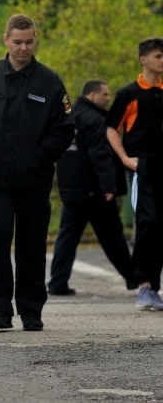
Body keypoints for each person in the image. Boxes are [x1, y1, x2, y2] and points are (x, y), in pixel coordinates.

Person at [0, 14, 74, 332]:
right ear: (6, 39)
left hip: (34, 179)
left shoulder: (49, 81)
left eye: (29, 41)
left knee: (32, 245)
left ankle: (31, 310)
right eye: (17, 42)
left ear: (35, 39)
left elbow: (64, 128)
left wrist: (40, 158)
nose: (23, 48)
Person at [48, 80, 136, 295]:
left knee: (67, 238)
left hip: (72, 188)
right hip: (94, 189)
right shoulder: (96, 120)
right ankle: (135, 278)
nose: (108, 98)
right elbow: (100, 156)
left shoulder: (67, 116)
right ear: (92, 95)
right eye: (105, 94)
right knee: (113, 237)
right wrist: (109, 186)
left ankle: (58, 283)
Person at [106, 37, 163, 311]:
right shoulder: (129, 93)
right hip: (142, 169)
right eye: (158, 56)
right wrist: (126, 159)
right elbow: (110, 129)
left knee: (159, 227)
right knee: (148, 222)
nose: (162, 61)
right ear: (144, 59)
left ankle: (155, 287)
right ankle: (143, 287)